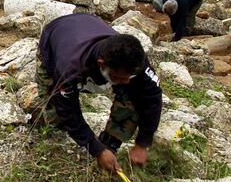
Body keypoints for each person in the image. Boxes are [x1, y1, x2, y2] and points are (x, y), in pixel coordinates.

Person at [36, 13, 163, 172]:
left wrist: (143, 143)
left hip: (89, 24)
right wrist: (96, 149)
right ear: (102, 64)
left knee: (134, 97)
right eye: (119, 78)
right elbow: (68, 110)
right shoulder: (70, 68)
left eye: (129, 77)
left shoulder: (133, 59)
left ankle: (110, 144)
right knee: (54, 111)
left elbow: (152, 97)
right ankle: (56, 143)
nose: (126, 82)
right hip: (56, 36)